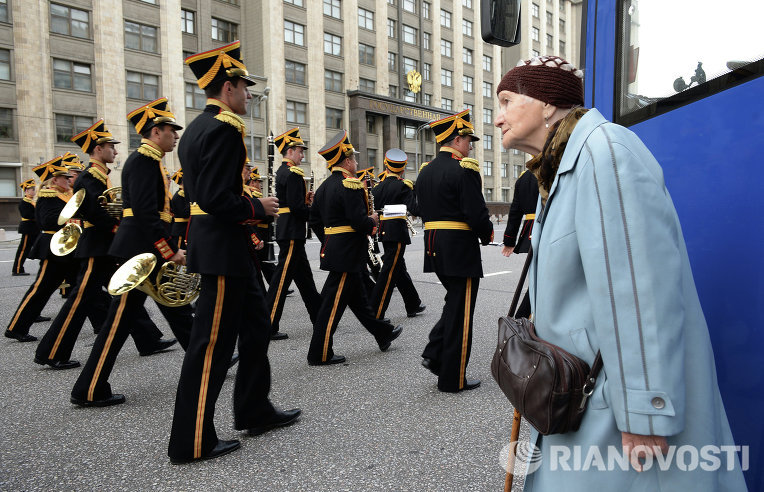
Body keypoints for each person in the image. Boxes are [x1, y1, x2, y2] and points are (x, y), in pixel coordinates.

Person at [494, 55, 745, 489]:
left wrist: (646, 410)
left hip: (614, 408)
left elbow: (640, 289)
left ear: (549, 103)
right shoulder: (562, 165)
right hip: (586, 398)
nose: (498, 119)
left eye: (506, 101)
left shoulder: (605, 153)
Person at [169, 41, 300, 464]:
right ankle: (191, 441)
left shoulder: (200, 127)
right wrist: (255, 207)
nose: (248, 94)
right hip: (222, 246)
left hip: (229, 247)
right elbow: (212, 198)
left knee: (256, 328)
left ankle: (254, 409)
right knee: (211, 347)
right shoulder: (223, 128)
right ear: (228, 88)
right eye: (244, 87)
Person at [70, 98, 192, 407]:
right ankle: (89, 388)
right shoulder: (142, 161)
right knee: (118, 322)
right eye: (171, 130)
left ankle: (206, 356)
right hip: (142, 251)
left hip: (142, 249)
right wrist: (169, 251)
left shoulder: (149, 161)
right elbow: (145, 214)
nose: (175, 136)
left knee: (165, 307)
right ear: (155, 131)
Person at [35, 119, 171, 370]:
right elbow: (93, 212)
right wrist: (115, 224)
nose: (115, 151)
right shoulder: (89, 177)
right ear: (98, 149)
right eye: (111, 147)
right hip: (96, 245)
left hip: (105, 244)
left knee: (132, 291)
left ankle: (148, 339)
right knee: (80, 300)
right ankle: (52, 352)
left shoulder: (98, 176)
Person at [306, 130, 403, 366]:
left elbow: (315, 221)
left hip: (341, 252)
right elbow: (359, 222)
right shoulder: (349, 185)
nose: (356, 163)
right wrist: (373, 220)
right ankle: (319, 354)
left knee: (358, 300)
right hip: (347, 254)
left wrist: (330, 240)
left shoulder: (324, 186)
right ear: (347, 160)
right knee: (331, 306)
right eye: (354, 159)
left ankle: (382, 333)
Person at [416, 109, 493, 393]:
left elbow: (419, 208)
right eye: (467, 139)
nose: (471, 144)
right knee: (462, 313)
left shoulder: (426, 171)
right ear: (457, 139)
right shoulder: (464, 169)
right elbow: (475, 212)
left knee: (455, 302)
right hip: (459, 247)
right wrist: (487, 234)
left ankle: (435, 353)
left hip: (434, 245)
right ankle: (453, 379)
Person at [5, 157, 79, 342]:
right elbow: (47, 221)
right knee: (41, 289)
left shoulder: (64, 195)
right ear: (54, 180)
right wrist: (74, 221)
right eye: (64, 177)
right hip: (53, 247)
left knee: (83, 287)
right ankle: (17, 327)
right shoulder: (49, 196)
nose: (68, 179)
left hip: (66, 247)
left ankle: (101, 323)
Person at [265, 127, 321, 341]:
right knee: (280, 282)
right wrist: (314, 211)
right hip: (292, 230)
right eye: (300, 150)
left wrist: (303, 201)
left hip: (289, 229)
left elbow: (292, 202)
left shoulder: (282, 171)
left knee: (305, 280)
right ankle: (268, 325)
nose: (302, 155)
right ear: (289, 151)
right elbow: (297, 208)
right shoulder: (294, 173)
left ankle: (319, 317)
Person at [368, 149, 425, 320]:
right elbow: (414, 209)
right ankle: (375, 311)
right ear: (402, 168)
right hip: (397, 231)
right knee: (389, 271)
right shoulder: (403, 185)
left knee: (399, 267)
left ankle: (412, 303)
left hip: (384, 231)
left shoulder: (378, 187)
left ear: (386, 165)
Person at [500, 168, 538, 319]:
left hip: (530, 230)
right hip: (550, 226)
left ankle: (523, 318)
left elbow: (515, 210)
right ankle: (522, 318)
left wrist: (509, 240)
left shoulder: (525, 176)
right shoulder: (554, 167)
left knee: (538, 276)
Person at [12, 178, 38, 276]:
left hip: (35, 229)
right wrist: (38, 216)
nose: (34, 191)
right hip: (28, 228)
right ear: (26, 191)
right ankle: (17, 269)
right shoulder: (24, 202)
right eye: (32, 189)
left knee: (41, 247)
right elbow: (27, 215)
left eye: (34, 189)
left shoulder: (33, 202)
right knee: (23, 250)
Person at [169, 169, 190, 250]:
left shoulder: (184, 194)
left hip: (185, 228)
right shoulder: (179, 195)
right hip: (180, 230)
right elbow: (184, 213)